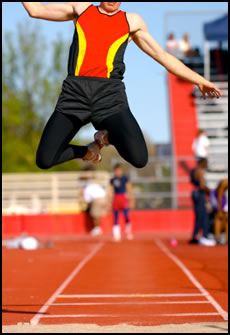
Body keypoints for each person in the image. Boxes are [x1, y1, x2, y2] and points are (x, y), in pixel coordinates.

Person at [22, 2, 222, 170]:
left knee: (140, 158)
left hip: (109, 98)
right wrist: (85, 152)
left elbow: (163, 57)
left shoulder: (131, 21)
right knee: (45, 159)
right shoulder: (82, 9)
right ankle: (89, 151)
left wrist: (200, 80)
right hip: (74, 95)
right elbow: (35, 10)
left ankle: (106, 138)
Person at [189, 158, 216, 246]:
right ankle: (204, 236)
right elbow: (202, 185)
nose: (207, 165)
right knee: (203, 216)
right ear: (203, 163)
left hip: (194, 193)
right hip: (199, 194)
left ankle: (195, 236)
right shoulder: (201, 171)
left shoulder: (194, 171)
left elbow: (192, 181)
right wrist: (210, 191)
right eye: (206, 163)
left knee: (198, 215)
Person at [109, 164, 135, 241]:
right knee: (115, 217)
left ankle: (128, 232)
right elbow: (110, 190)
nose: (118, 172)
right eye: (116, 171)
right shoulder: (112, 180)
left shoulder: (125, 178)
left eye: (119, 170)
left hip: (123, 198)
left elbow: (129, 188)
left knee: (126, 215)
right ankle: (116, 235)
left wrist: (131, 199)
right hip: (116, 198)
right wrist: (109, 201)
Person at [80, 172, 107, 236]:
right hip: (103, 199)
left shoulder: (87, 188)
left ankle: (97, 228)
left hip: (97, 199)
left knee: (95, 215)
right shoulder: (96, 185)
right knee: (98, 215)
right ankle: (98, 228)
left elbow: (88, 201)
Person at [214, 178, 228, 244]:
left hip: (224, 201)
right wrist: (220, 210)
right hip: (223, 202)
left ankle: (226, 238)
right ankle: (217, 238)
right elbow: (219, 195)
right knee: (219, 218)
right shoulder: (225, 182)